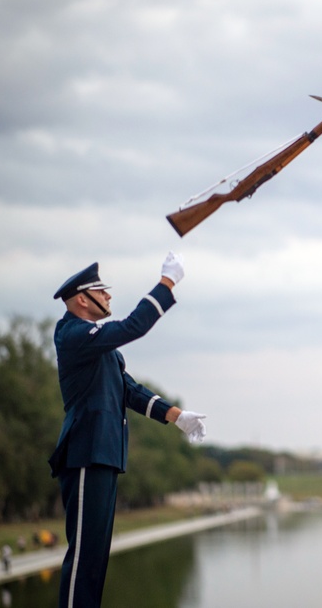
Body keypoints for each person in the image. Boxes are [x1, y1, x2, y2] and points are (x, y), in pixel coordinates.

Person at [49, 253, 208, 608]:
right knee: (83, 558)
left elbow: (129, 391)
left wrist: (176, 416)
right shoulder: (74, 334)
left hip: (103, 454)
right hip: (86, 453)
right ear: (81, 300)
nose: (107, 297)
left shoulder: (99, 348)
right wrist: (166, 284)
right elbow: (132, 326)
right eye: (101, 292)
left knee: (95, 561)